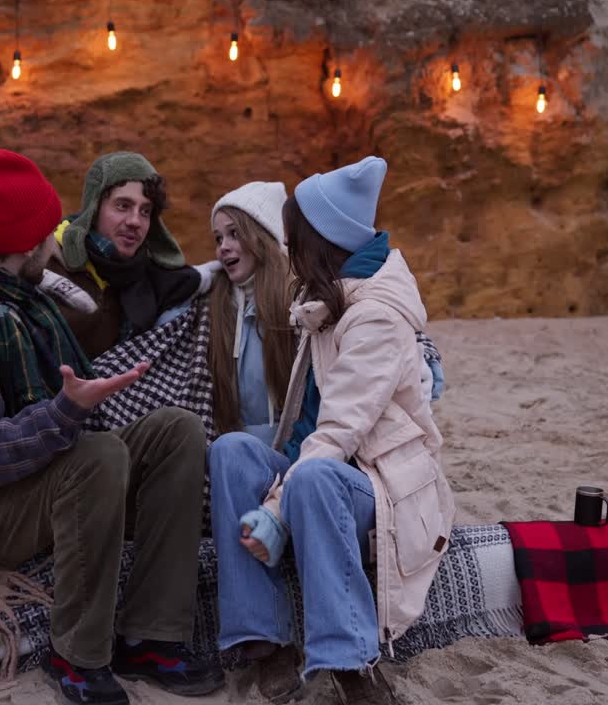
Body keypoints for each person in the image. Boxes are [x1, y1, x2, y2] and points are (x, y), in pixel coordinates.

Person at [0, 149, 224, 705]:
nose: (56, 241)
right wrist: (67, 411)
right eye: (48, 231)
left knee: (176, 431)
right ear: (23, 243)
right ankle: (79, 655)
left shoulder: (17, 294)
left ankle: (150, 637)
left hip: (38, 477)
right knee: (98, 457)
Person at [208, 156, 455, 705]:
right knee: (232, 452)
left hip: (383, 481)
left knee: (315, 480)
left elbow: (339, 433)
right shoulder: (327, 301)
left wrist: (275, 511)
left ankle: (353, 663)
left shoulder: (375, 315)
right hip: (332, 463)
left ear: (319, 243)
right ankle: (263, 643)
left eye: (294, 243)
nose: (289, 255)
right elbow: (305, 425)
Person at [50, 151, 218, 358]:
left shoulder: (148, 276)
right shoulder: (50, 265)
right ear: (94, 207)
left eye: (145, 211)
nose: (135, 221)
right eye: (123, 206)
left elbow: (187, 280)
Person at [205, 182, 296, 445]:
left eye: (234, 233)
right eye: (218, 238)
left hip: (296, 449)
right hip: (231, 453)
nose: (223, 246)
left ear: (263, 236)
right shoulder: (212, 304)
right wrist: (187, 281)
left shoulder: (299, 300)